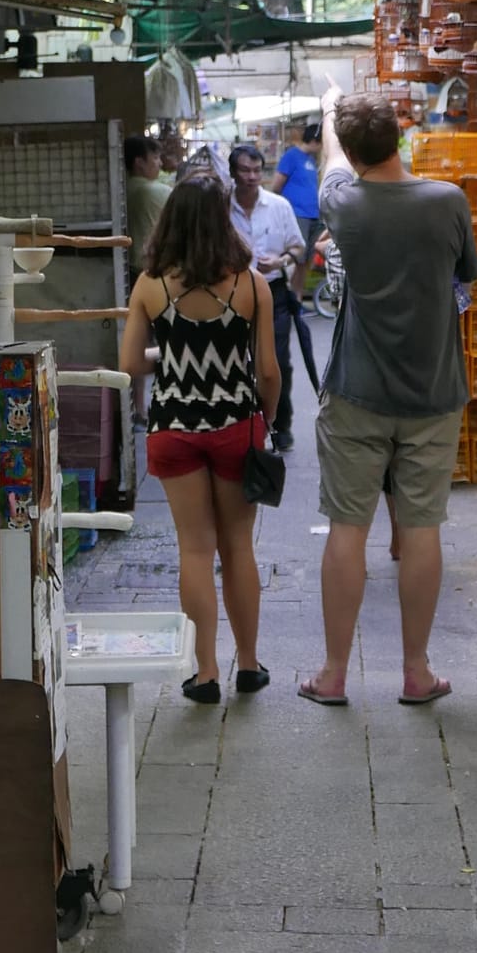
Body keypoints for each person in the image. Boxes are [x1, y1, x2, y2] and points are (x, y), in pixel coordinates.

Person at [301, 92, 477, 710]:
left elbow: (332, 164)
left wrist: (330, 116)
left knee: (348, 528)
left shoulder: (343, 204)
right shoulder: (447, 200)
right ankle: (416, 671)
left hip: (357, 391)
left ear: (352, 151)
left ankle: (333, 674)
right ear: (399, 137)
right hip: (434, 391)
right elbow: (466, 274)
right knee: (422, 528)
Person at [120, 178, 282, 705]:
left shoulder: (150, 285)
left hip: (174, 430)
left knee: (194, 548)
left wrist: (171, 356)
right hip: (237, 427)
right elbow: (269, 372)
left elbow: (129, 363)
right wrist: (266, 421)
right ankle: (250, 665)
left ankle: (206, 671)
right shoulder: (251, 284)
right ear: (223, 218)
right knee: (238, 546)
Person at [228, 142, 306, 451]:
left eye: (257, 170)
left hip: (273, 294)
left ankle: (280, 425)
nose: (251, 177)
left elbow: (298, 247)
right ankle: (242, 423)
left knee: (278, 361)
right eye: (245, 170)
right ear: (233, 173)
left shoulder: (278, 206)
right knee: (234, 360)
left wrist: (280, 261)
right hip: (232, 294)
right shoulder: (221, 208)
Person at [270, 120, 322, 256]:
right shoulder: (291, 156)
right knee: (296, 256)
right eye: (321, 144)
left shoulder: (311, 160)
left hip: (313, 214)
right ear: (314, 141)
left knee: (309, 257)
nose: (321, 148)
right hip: (297, 214)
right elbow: (276, 186)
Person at [124, 133, 174, 269]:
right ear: (139, 162)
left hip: (128, 267)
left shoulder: (122, 191)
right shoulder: (159, 191)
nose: (160, 163)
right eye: (156, 158)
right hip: (155, 267)